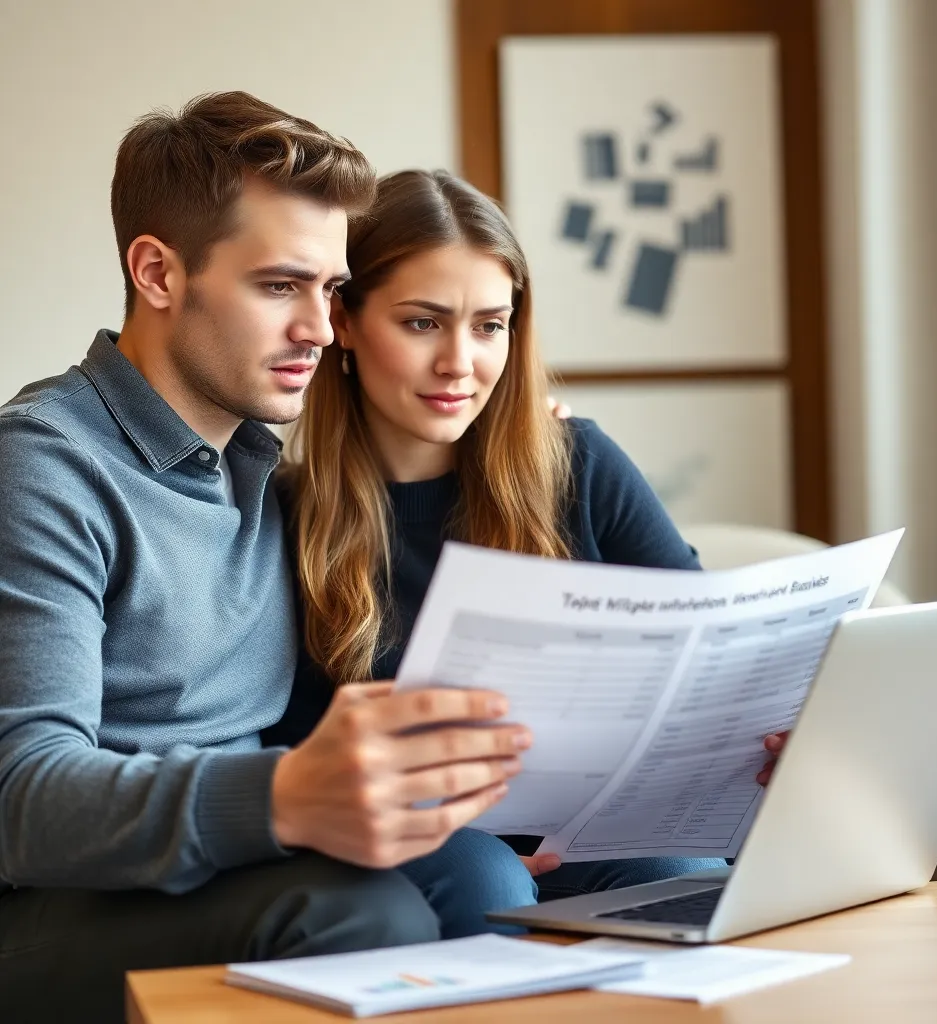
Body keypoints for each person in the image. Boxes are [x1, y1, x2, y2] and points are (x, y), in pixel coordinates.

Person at [0, 94, 552, 1023]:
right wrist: (285, 793)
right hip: (52, 901)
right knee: (361, 914)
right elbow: (22, 799)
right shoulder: (43, 467)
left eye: (330, 289)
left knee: (477, 879)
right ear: (157, 272)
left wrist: (524, 439)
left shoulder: (258, 467)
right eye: (279, 287)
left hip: (221, 865)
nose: (322, 329)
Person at [264, 169, 787, 938]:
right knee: (484, 878)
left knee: (676, 871)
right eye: (422, 323)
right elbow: (280, 747)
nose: (460, 362)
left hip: (595, 824)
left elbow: (711, 656)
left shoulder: (578, 464)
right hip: (420, 841)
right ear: (344, 320)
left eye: (489, 326)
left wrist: (774, 730)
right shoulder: (279, 515)